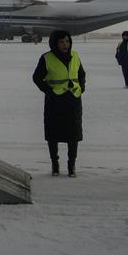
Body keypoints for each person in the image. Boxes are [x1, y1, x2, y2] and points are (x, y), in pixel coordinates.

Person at [32, 30, 86, 176]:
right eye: (61, 42)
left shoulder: (75, 56)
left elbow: (81, 73)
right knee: (53, 134)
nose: (65, 45)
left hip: (73, 98)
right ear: (55, 43)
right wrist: (49, 91)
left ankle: (71, 166)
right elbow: (37, 78)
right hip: (55, 101)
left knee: (73, 134)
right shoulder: (46, 58)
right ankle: (55, 165)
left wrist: (81, 87)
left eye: (67, 41)